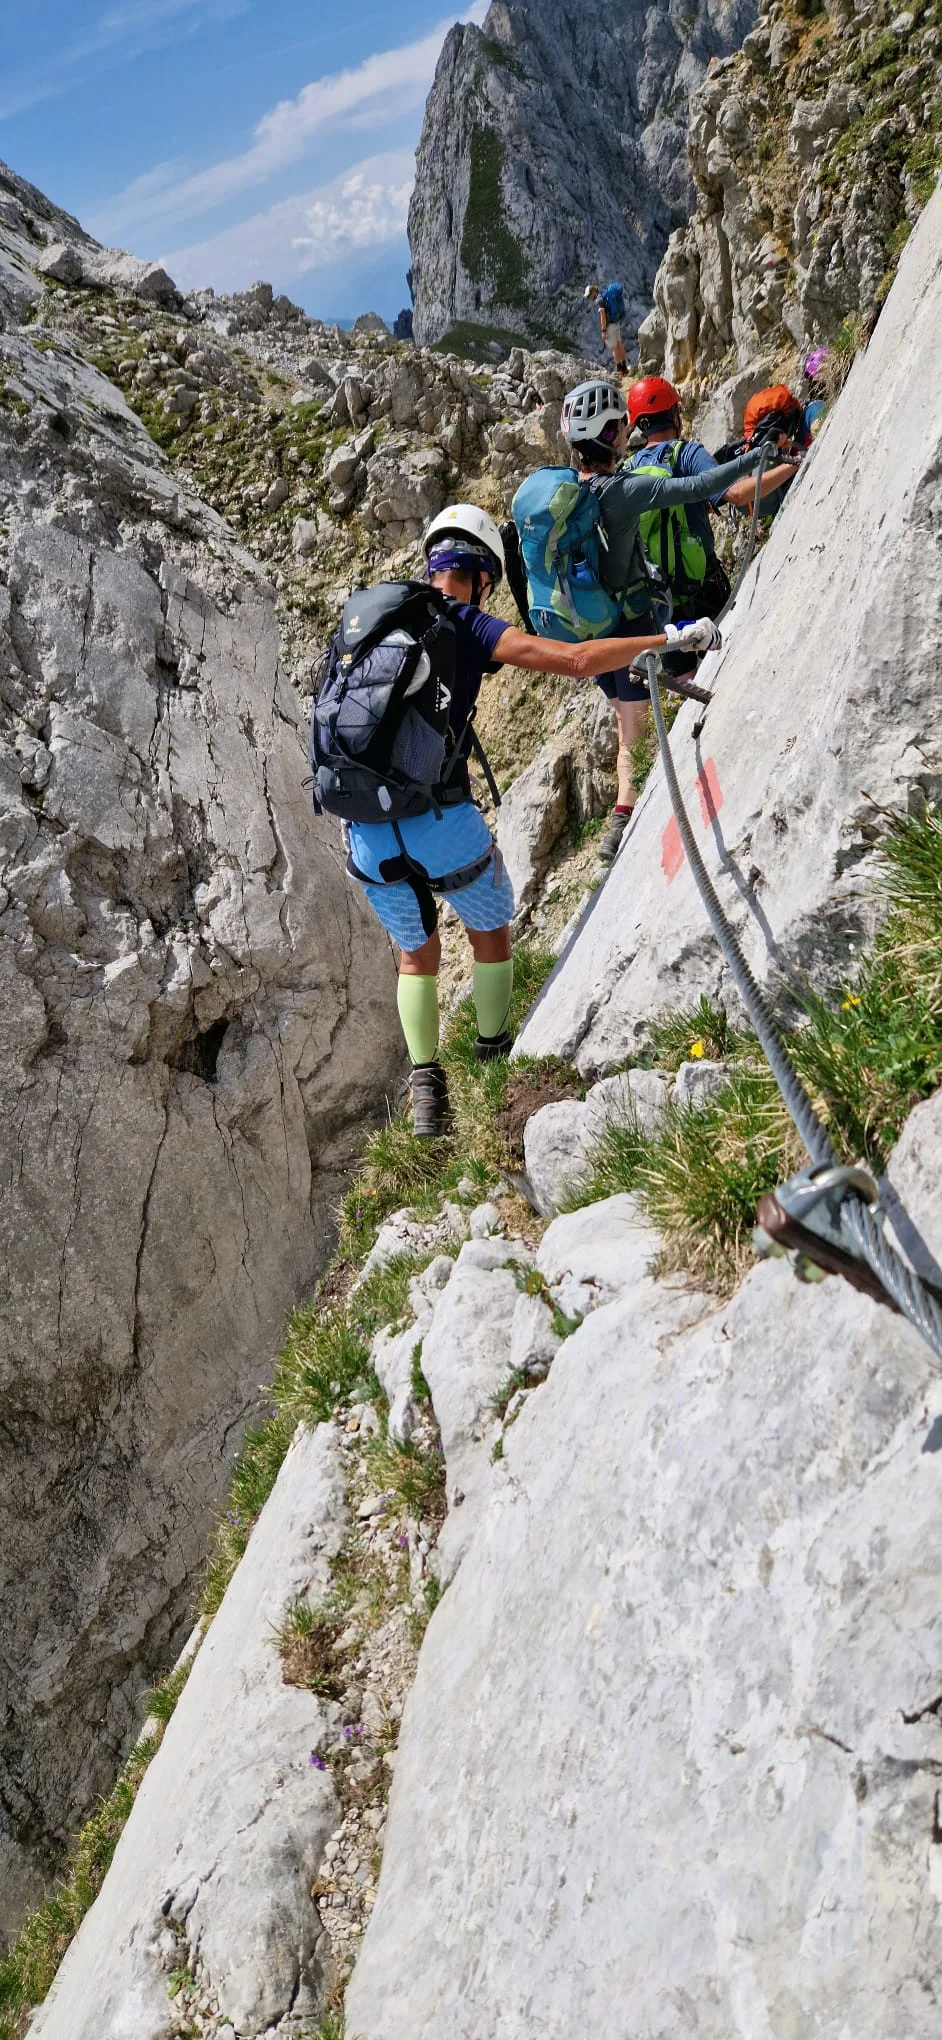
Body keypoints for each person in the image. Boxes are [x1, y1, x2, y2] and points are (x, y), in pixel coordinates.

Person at [343, 503, 719, 1135]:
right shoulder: (465, 623)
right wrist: (669, 638)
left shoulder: (372, 623)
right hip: (440, 819)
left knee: (416, 952)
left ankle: (427, 1095)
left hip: (364, 826)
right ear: (483, 575)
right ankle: (493, 1058)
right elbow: (575, 660)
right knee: (489, 931)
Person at [549, 379, 763, 863]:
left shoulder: (567, 495)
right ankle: (643, 817)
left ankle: (621, 821)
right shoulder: (623, 490)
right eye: (620, 426)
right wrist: (754, 458)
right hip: (634, 628)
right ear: (611, 434)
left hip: (593, 637)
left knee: (631, 729)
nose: (627, 431)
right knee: (667, 720)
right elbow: (701, 486)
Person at [623, 376, 804, 618]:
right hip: (702, 587)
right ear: (673, 414)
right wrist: (794, 464)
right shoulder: (687, 453)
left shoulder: (627, 469)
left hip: (657, 600)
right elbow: (738, 495)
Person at [584, 282, 628, 374]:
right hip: (616, 322)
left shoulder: (599, 300)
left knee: (614, 348)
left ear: (593, 292)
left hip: (609, 326)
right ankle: (625, 368)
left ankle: (620, 371)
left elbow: (602, 315)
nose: (589, 298)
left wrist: (603, 330)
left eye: (589, 296)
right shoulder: (605, 294)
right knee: (620, 345)